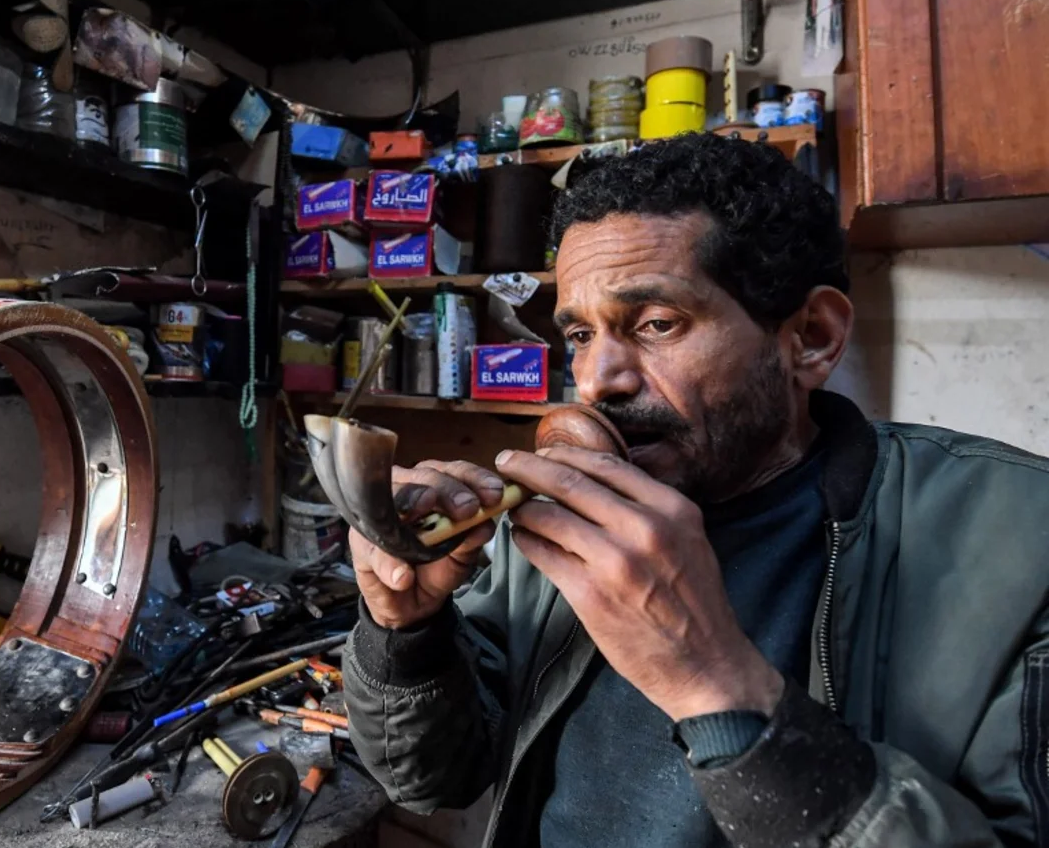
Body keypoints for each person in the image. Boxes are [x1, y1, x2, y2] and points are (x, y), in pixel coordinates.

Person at [342, 133, 1048, 848]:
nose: (595, 381)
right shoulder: (564, 518)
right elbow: (435, 777)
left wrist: (716, 682)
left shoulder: (1024, 544)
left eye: (655, 323)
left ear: (811, 336)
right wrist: (406, 632)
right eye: (581, 334)